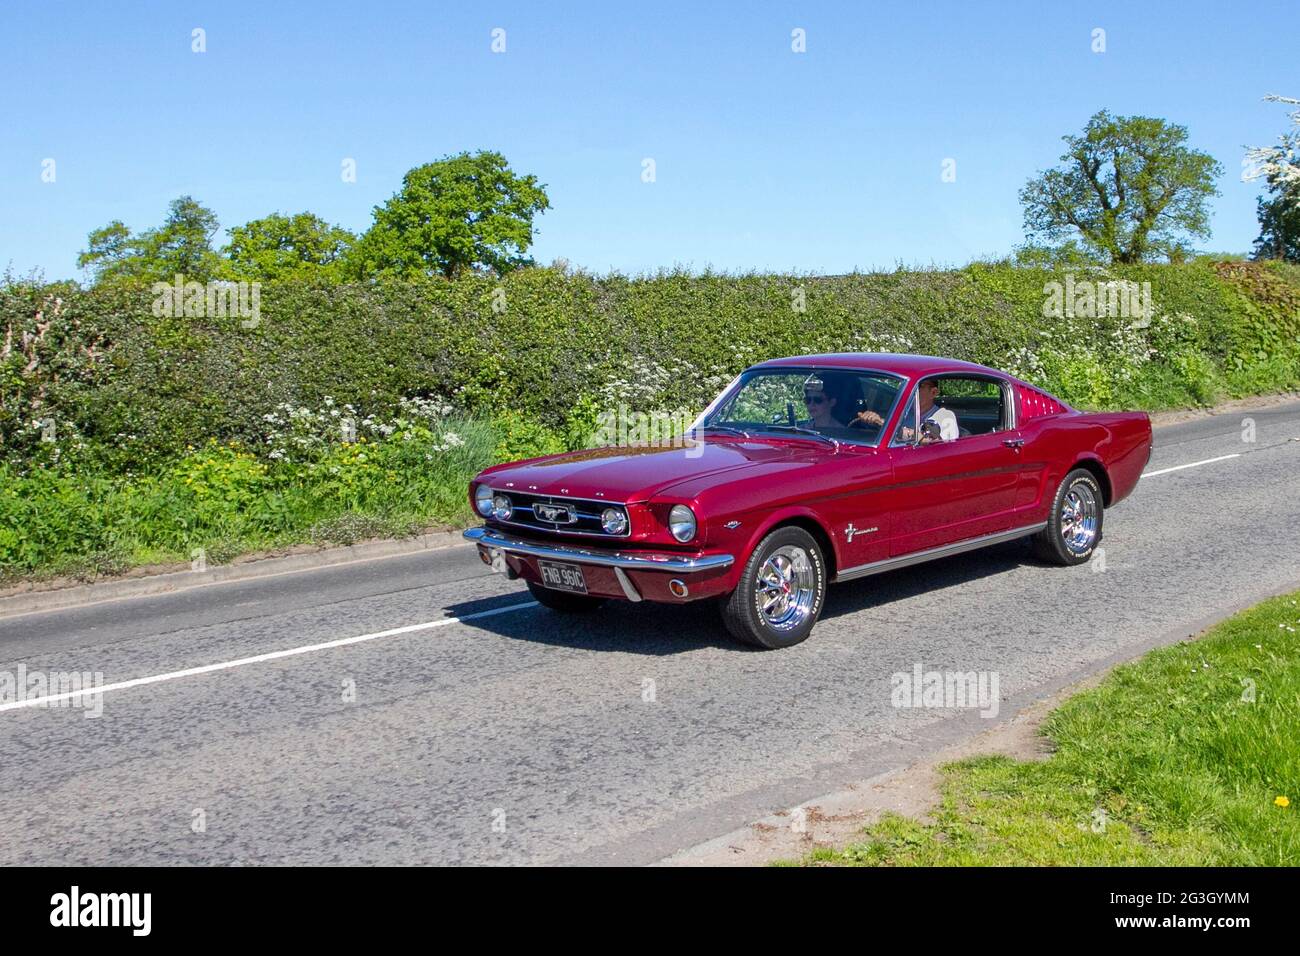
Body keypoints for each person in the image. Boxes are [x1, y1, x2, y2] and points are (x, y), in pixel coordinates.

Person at [899, 378, 958, 443]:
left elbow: (938, 445)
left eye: (919, 386)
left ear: (933, 392)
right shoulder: (903, 414)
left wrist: (903, 432)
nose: (910, 390)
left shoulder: (945, 416)